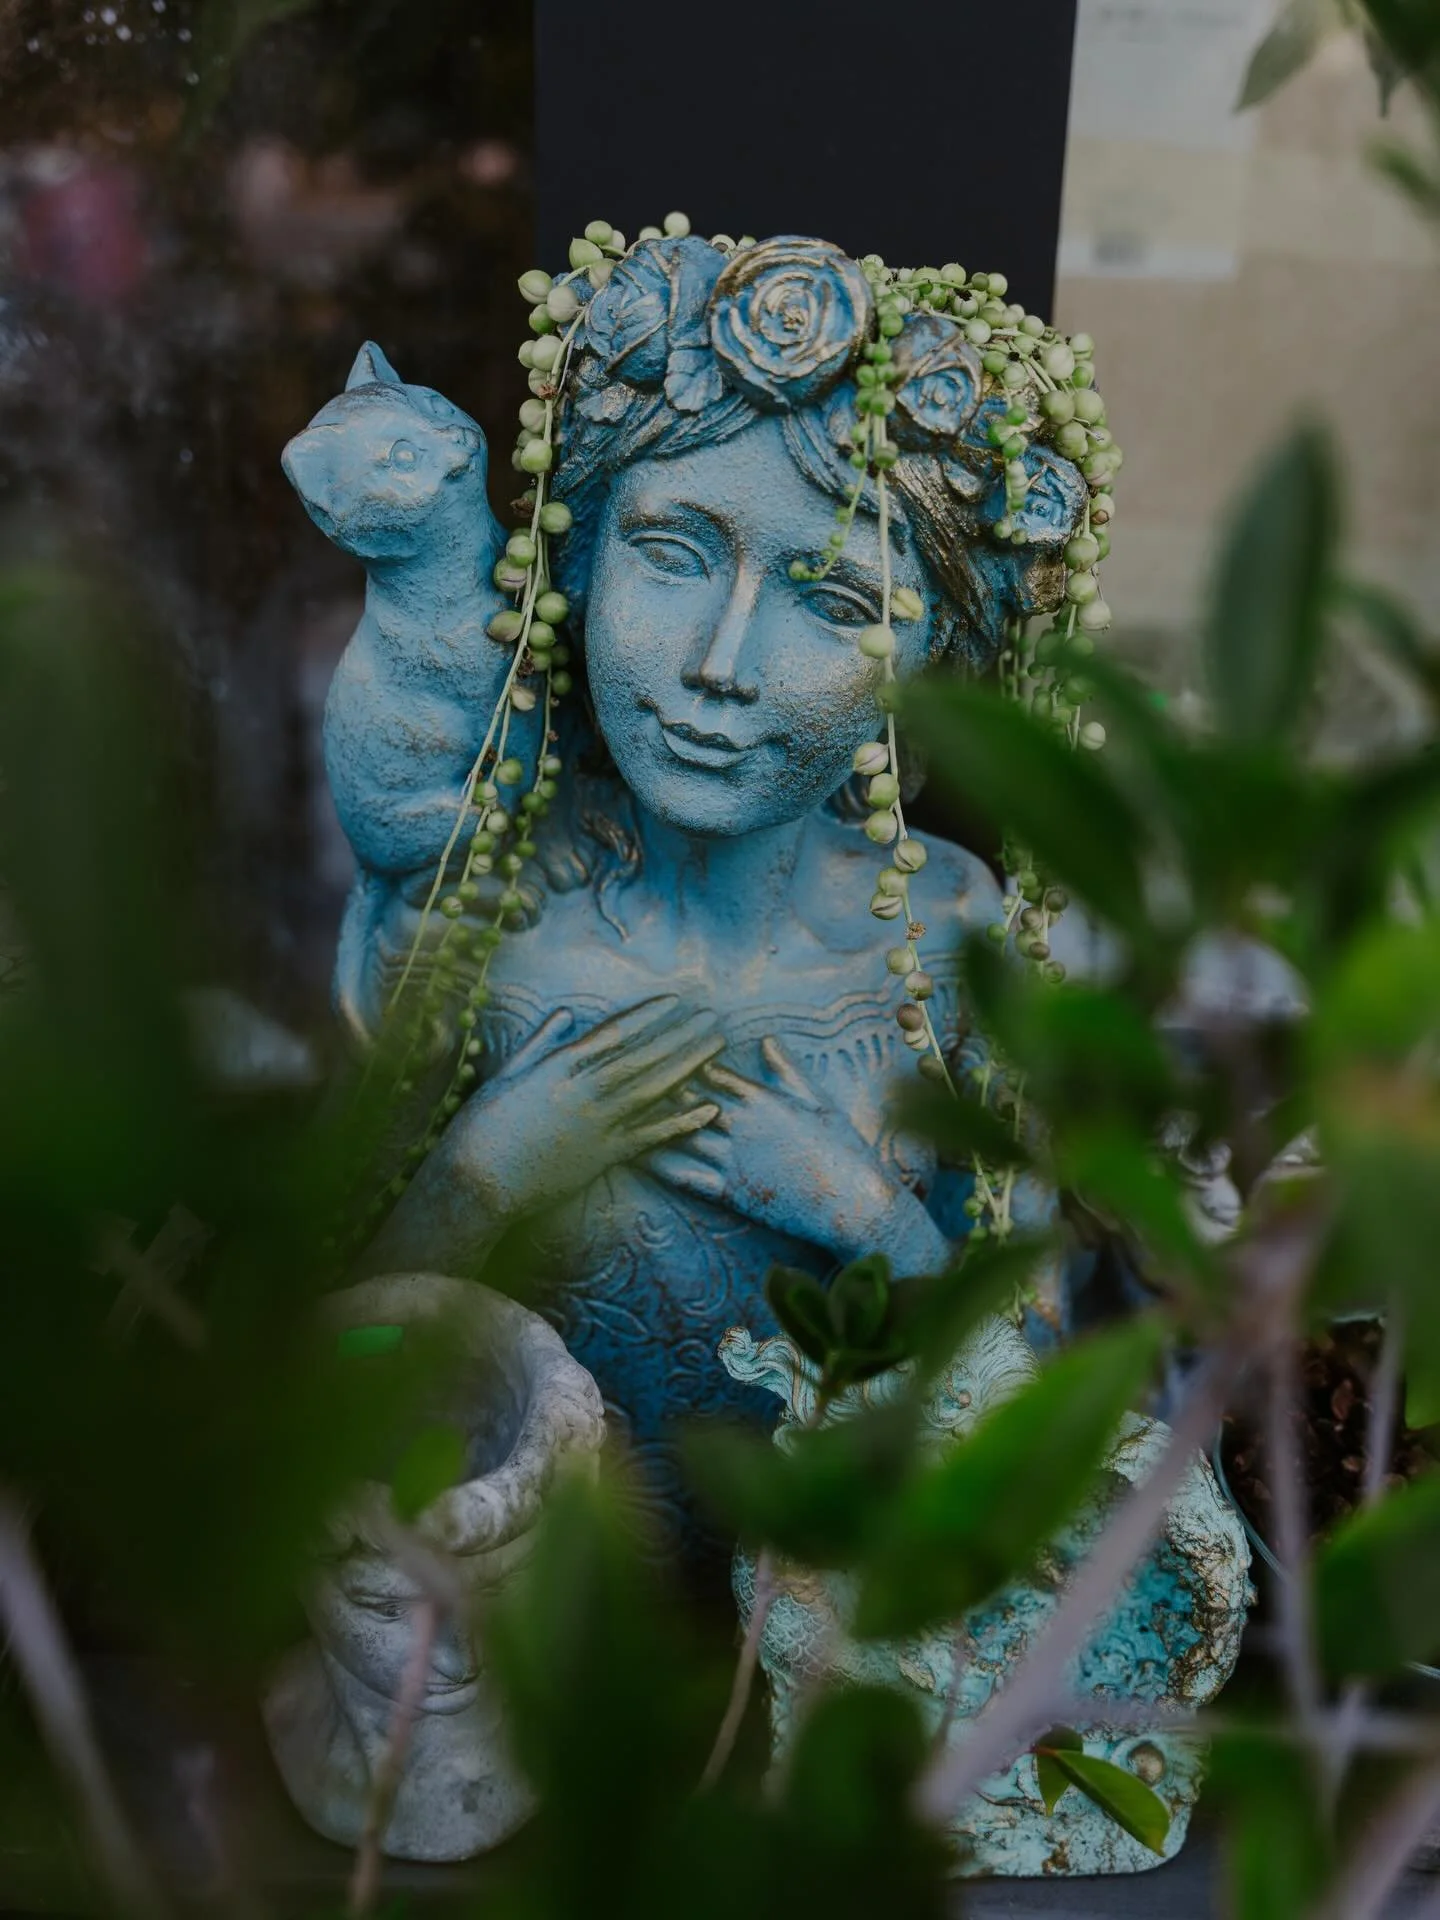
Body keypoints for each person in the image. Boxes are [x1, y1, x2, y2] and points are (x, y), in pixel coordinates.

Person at [290, 232, 1097, 1549]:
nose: (721, 664)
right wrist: (490, 1172)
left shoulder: (956, 951)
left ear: (933, 650)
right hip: (521, 1645)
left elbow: (1033, 1404)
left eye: (832, 594)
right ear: (580, 553)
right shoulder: (480, 916)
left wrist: (861, 1211)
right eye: (671, 552)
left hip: (825, 1661)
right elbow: (332, 1353)